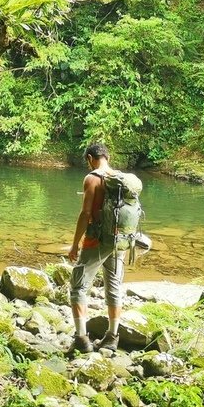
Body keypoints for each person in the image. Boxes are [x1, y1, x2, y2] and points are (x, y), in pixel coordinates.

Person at [68, 141, 124, 354]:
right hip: (119, 241)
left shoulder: (92, 178)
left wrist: (75, 244)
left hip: (96, 241)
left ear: (90, 158)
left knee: (78, 286)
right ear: (107, 157)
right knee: (114, 287)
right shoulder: (120, 179)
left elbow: (85, 214)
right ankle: (112, 337)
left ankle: (82, 339)